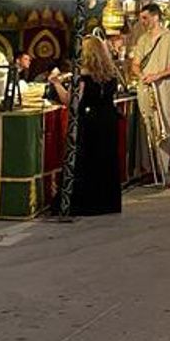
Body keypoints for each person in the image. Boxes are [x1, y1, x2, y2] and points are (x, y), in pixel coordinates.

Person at [48, 37, 122, 215]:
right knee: (105, 161)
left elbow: (71, 101)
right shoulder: (111, 73)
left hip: (90, 122)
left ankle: (86, 203)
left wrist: (56, 83)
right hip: (108, 120)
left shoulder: (84, 76)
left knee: (87, 161)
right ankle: (106, 203)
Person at [130, 3, 170, 189]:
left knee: (169, 125)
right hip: (146, 88)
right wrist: (142, 76)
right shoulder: (142, 40)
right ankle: (153, 169)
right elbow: (135, 64)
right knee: (149, 126)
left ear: (156, 17)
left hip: (166, 88)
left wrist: (159, 75)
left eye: (145, 18)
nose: (143, 22)